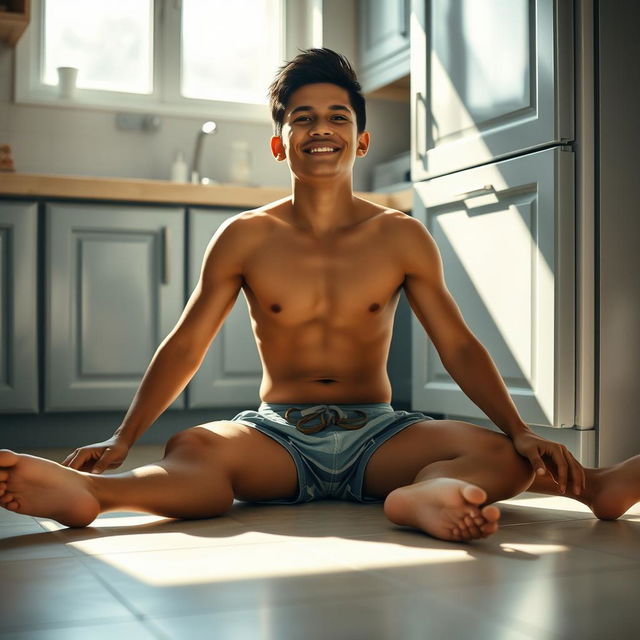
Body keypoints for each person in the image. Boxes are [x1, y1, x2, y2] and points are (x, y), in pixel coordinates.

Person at [0, 49, 638, 541]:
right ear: (280, 144)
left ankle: (433, 494)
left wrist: (520, 429)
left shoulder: (401, 237)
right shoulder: (244, 236)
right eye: (302, 119)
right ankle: (96, 497)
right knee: (193, 450)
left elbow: (459, 346)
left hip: (380, 434)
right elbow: (188, 344)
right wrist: (122, 435)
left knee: (503, 455)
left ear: (361, 139)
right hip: (276, 436)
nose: (321, 129)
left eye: (338, 117)